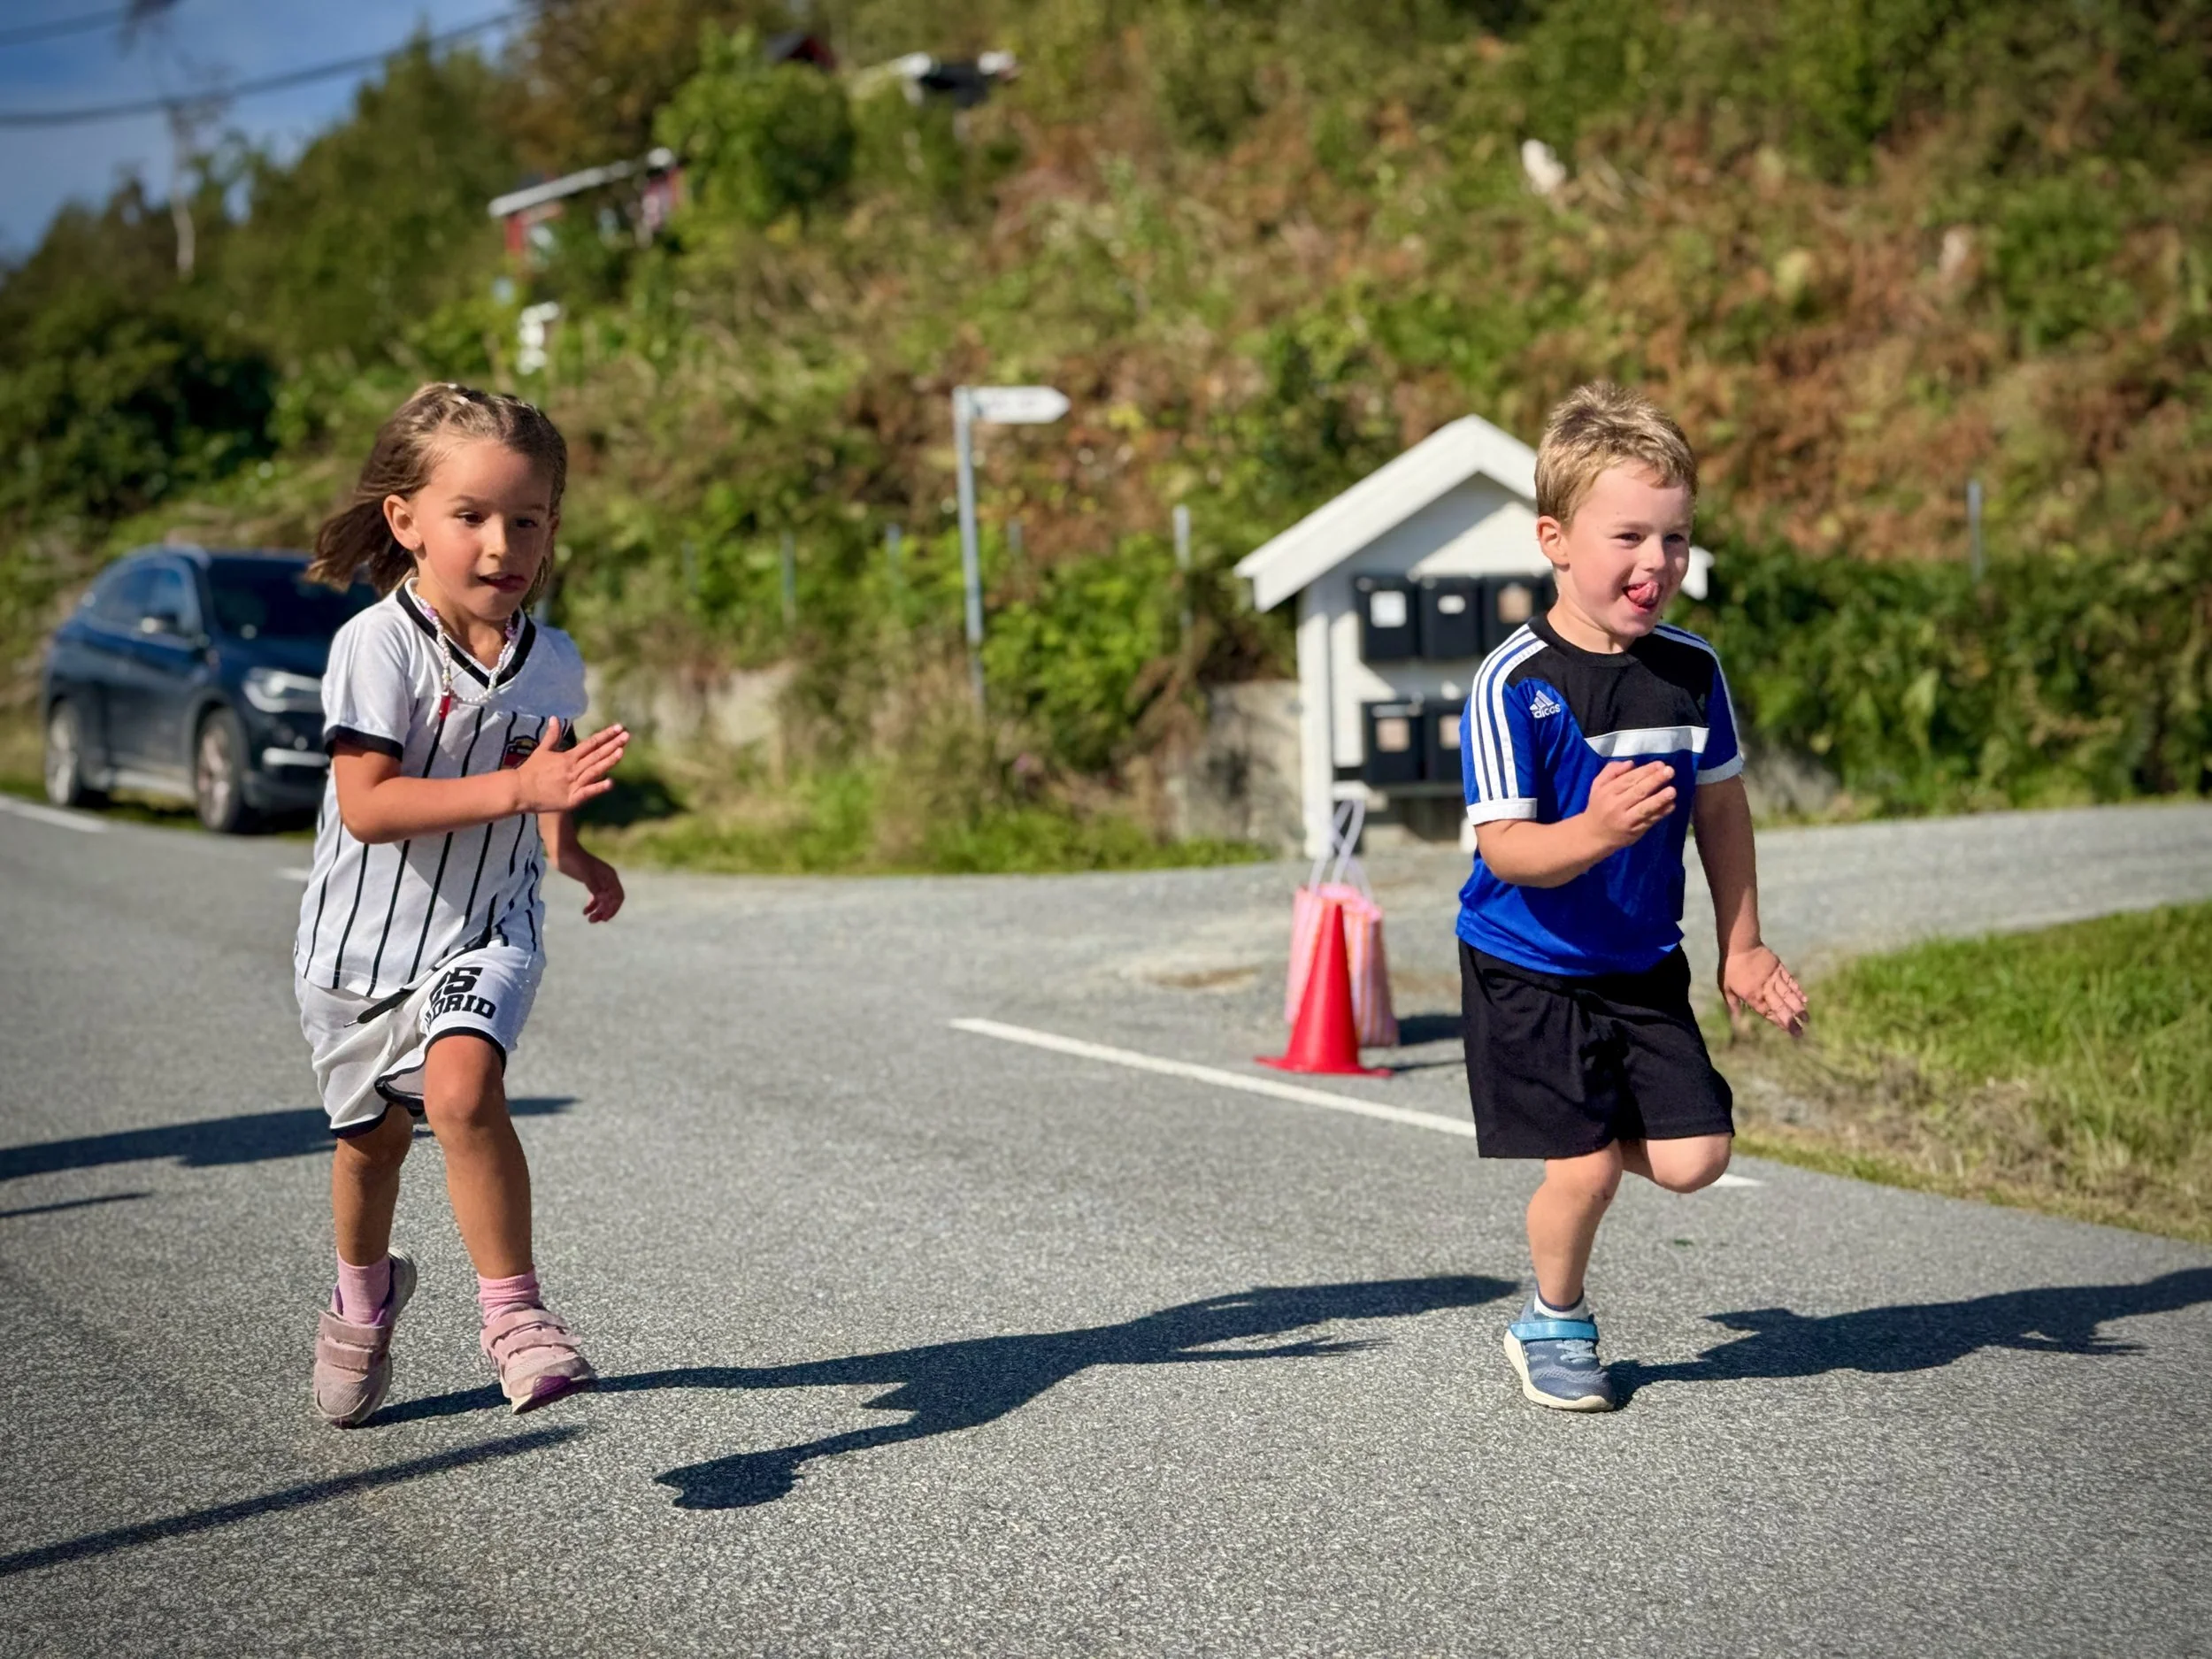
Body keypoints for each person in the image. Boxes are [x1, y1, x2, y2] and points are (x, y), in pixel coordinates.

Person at [1457, 381, 1807, 1411]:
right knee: (1588, 1173)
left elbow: (1723, 812)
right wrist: (1596, 831)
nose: (1656, 564)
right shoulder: (1512, 681)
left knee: (1698, 1157)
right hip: (1528, 962)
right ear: (1555, 540)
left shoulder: (1691, 673)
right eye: (1629, 538)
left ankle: (1572, 1128)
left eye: (1676, 539)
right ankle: (1551, 1321)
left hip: (1641, 961)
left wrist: (1743, 948)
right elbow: (1508, 849)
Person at [293, 382, 629, 1425]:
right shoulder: (374, 647)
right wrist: (524, 792)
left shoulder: (555, 662)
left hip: (492, 926)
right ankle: (365, 1289)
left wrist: (568, 850)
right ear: (406, 522)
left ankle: (515, 1315)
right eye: (471, 517)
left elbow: (547, 773)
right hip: (358, 945)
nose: (501, 544)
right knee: (371, 1146)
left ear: (553, 528)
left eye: (526, 520)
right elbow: (368, 804)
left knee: (462, 1090)